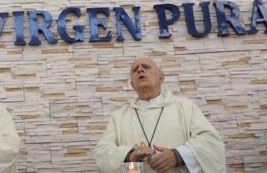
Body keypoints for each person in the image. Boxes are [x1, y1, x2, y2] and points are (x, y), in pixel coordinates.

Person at [93, 57, 225, 172]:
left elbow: (211, 142)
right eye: (135, 70)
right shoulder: (118, 117)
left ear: (161, 77)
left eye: (146, 67)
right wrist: (129, 156)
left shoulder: (185, 107)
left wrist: (178, 156)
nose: (140, 70)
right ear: (132, 85)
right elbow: (102, 153)